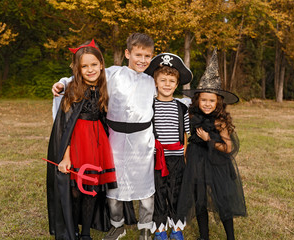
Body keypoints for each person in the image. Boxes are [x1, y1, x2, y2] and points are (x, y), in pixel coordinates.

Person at [52, 33, 156, 240]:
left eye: (147, 56)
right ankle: (117, 225)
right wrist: (63, 83)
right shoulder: (113, 74)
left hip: (142, 141)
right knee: (113, 186)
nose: (142, 60)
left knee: (145, 187)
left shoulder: (151, 81)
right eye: (138, 54)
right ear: (127, 53)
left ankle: (146, 226)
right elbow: (85, 76)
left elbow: (167, 94)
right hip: (114, 140)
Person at [46, 39, 117, 240]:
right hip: (77, 144)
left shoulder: (104, 87)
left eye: (94, 64)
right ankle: (73, 230)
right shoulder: (72, 90)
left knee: (92, 188)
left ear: (101, 64)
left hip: (97, 144)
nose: (90, 69)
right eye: (84, 66)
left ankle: (86, 233)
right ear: (77, 69)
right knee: (76, 190)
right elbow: (65, 127)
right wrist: (66, 156)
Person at [177, 49, 247, 240]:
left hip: (216, 163)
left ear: (218, 102)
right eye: (204, 100)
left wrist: (210, 140)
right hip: (196, 161)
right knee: (199, 199)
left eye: (212, 101)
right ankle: (204, 236)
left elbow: (228, 147)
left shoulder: (220, 121)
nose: (207, 104)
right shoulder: (191, 116)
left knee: (221, 200)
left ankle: (230, 236)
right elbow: (183, 136)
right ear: (197, 100)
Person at [144, 53, 192, 240]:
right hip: (155, 159)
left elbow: (187, 134)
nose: (167, 84)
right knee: (158, 193)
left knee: (176, 192)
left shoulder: (182, 107)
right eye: (162, 80)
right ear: (155, 82)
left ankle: (177, 228)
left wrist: (185, 155)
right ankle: (160, 229)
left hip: (177, 158)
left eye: (171, 81)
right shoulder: (149, 105)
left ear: (177, 84)